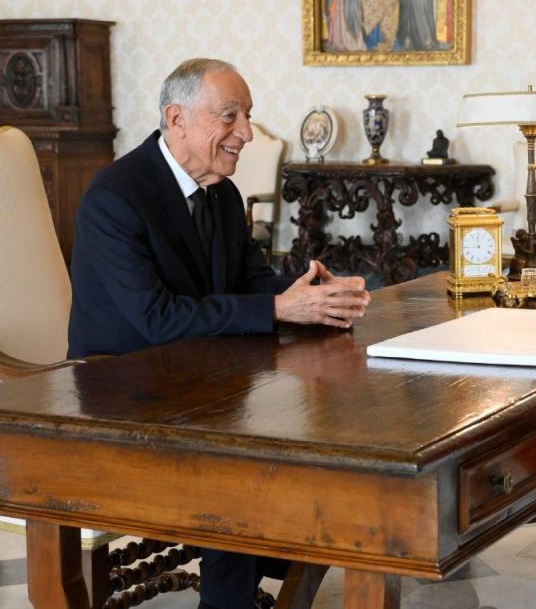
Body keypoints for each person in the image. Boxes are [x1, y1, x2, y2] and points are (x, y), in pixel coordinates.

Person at [68, 58, 372, 609]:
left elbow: (251, 281)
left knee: (314, 436)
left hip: (202, 385)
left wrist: (309, 293)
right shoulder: (114, 196)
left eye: (248, 116)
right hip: (118, 395)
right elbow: (157, 320)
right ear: (176, 118)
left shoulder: (221, 194)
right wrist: (279, 307)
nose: (247, 133)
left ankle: (292, 553)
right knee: (238, 474)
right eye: (229, 115)